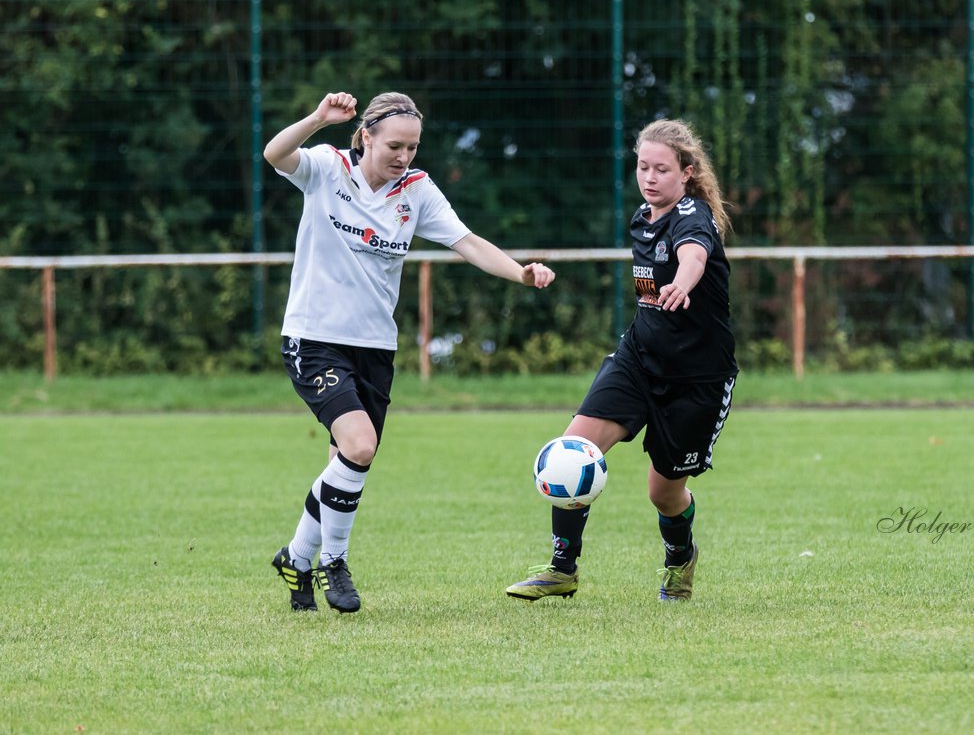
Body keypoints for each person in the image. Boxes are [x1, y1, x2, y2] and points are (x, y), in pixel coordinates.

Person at [265, 91, 555, 613]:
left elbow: (467, 242)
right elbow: (274, 155)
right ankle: (335, 561)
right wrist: (316, 119)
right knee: (358, 446)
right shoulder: (327, 169)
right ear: (365, 137)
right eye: (395, 145)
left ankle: (296, 557)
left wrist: (521, 271)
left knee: (343, 462)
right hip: (314, 338)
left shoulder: (415, 191)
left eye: (413, 148)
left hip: (374, 347)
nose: (404, 157)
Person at [505, 118, 738, 603]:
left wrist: (684, 280)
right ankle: (562, 569)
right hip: (638, 359)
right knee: (572, 450)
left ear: (687, 174)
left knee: (664, 494)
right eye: (642, 167)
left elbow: (693, 254)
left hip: (697, 378)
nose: (650, 178)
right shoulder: (642, 217)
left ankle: (680, 559)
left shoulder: (694, 217)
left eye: (662, 170)